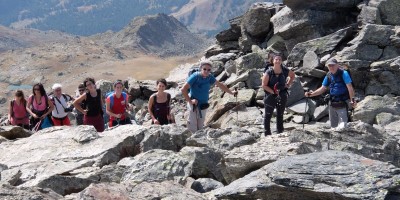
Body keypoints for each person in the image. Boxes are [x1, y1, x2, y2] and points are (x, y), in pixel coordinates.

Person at [181, 60, 238, 133]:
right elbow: (183, 89)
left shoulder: (210, 77)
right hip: (194, 105)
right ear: (201, 68)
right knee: (193, 126)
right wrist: (190, 101)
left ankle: (199, 140)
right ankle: (192, 141)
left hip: (203, 105)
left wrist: (231, 92)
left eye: (208, 70)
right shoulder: (195, 76)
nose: (206, 71)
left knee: (200, 126)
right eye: (204, 69)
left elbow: (220, 85)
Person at [305, 58, 356, 129]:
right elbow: (323, 88)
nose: (331, 67)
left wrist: (352, 100)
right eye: (329, 66)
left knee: (343, 126)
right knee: (333, 127)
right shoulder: (328, 75)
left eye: (333, 65)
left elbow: (350, 87)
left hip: (343, 103)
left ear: (337, 65)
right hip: (332, 103)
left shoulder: (344, 73)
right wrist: (311, 94)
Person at [262, 54, 295, 136]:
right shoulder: (268, 72)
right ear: (273, 61)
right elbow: (264, 85)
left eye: (279, 59)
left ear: (281, 61)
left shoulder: (285, 70)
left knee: (280, 113)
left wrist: (288, 84)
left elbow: (292, 75)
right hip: (270, 95)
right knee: (268, 114)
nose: (278, 60)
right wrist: (273, 92)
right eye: (276, 59)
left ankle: (280, 131)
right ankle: (267, 133)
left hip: (282, 94)